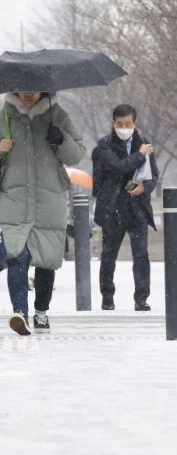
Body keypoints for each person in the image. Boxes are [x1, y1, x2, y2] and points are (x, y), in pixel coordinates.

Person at [0, 91, 85, 335]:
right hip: (13, 198)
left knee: (46, 259)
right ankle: (20, 313)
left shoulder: (58, 115)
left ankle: (41, 312)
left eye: (34, 87)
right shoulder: (4, 117)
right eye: (23, 87)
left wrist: (61, 140)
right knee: (17, 255)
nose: (28, 93)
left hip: (49, 197)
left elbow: (77, 153)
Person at [92, 104, 158, 311]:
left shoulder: (144, 144)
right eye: (119, 124)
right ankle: (107, 297)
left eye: (127, 124)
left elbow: (153, 175)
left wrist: (144, 188)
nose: (123, 127)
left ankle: (141, 298)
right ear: (113, 123)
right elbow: (119, 168)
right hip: (112, 207)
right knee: (109, 254)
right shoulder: (104, 146)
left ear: (134, 123)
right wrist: (139, 156)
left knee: (141, 255)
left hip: (137, 208)